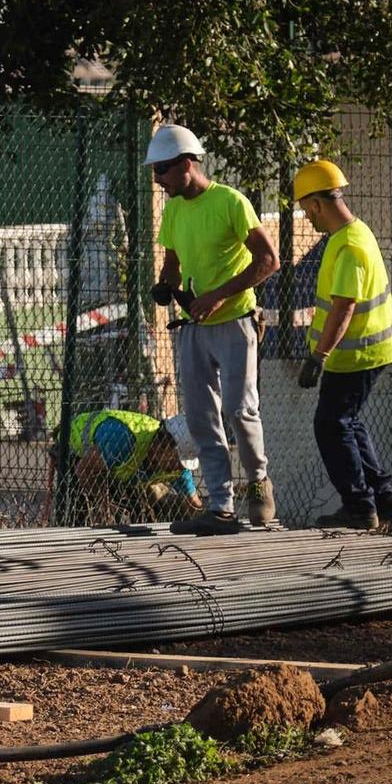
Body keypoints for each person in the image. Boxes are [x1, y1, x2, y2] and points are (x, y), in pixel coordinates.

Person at [148, 124, 282, 535]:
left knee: (239, 410)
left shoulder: (230, 202)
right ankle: (220, 505)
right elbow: (172, 257)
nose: (159, 180)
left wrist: (221, 295)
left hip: (235, 321)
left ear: (188, 163)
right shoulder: (173, 209)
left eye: (164, 170)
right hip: (194, 325)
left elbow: (268, 261)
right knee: (202, 416)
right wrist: (165, 284)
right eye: (155, 172)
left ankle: (258, 482)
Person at [292, 159, 392, 531]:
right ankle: (384, 500)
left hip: (356, 354)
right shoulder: (358, 234)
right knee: (348, 421)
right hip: (368, 351)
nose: (307, 219)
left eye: (306, 211)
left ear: (316, 204)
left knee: (330, 425)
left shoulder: (348, 246)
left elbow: (344, 306)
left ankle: (360, 507)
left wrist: (318, 356)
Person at [65, 409, 204, 525]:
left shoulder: (178, 467)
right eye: (177, 461)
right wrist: (104, 503)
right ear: (163, 446)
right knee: (83, 514)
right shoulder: (123, 439)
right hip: (73, 452)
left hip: (118, 471)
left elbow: (193, 503)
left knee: (150, 502)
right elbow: (83, 469)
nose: (179, 468)